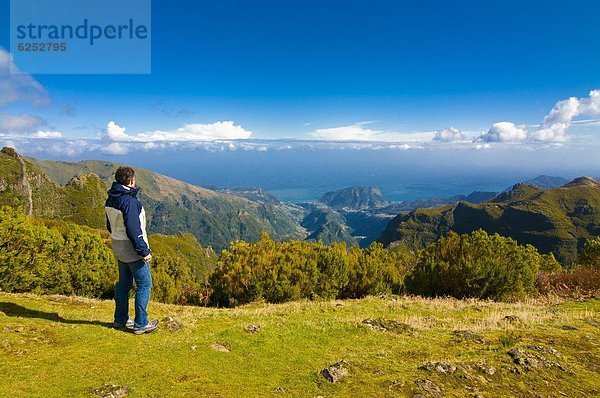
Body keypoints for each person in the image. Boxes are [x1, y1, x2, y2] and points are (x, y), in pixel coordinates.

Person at [105, 166, 158, 335]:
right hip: (131, 247)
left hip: (117, 245)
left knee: (124, 284)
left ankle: (120, 319)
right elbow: (134, 229)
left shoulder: (111, 199)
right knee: (144, 283)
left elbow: (109, 225)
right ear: (131, 180)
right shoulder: (129, 202)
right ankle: (141, 323)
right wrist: (144, 251)